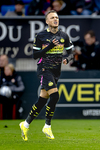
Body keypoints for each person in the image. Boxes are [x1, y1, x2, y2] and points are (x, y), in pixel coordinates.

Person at [19, 10, 74, 141]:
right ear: (47, 21)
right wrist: (50, 46)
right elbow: (35, 55)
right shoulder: (41, 36)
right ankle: (47, 126)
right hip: (44, 69)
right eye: (52, 17)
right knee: (55, 95)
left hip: (56, 71)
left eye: (57, 17)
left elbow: (71, 52)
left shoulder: (64, 36)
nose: (56, 19)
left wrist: (68, 59)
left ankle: (25, 124)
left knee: (43, 99)